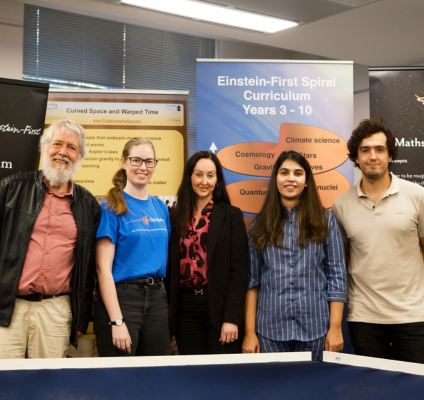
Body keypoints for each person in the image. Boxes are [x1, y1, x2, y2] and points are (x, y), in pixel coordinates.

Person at [0, 119, 101, 359]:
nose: (63, 152)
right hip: (8, 306)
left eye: (72, 147)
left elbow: (87, 272)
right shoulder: (11, 189)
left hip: (56, 310)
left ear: (80, 156)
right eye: (57, 144)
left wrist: (80, 319)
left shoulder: (89, 206)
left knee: (48, 386)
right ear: (45, 147)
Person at [332, 117, 424, 363]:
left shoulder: (418, 195)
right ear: (356, 157)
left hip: (412, 314)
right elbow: (345, 261)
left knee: (416, 389)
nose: (373, 156)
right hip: (364, 316)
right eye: (365, 150)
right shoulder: (341, 205)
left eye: (379, 149)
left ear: (390, 155)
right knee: (373, 390)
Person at [242, 150, 347, 361]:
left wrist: (335, 328)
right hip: (270, 333)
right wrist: (250, 333)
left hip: (315, 331)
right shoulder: (259, 224)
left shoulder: (326, 221)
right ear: (276, 179)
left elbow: (337, 278)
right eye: (284, 172)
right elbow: (252, 283)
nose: (291, 178)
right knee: (275, 392)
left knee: (313, 391)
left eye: (298, 173)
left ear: (306, 181)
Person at [94, 137, 171, 357]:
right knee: (119, 380)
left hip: (158, 299)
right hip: (123, 300)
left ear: (155, 165)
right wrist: (117, 320)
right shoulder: (110, 207)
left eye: (149, 161)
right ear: (123, 162)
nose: (143, 167)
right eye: (136, 160)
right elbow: (103, 270)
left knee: (155, 379)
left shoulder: (161, 208)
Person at [167, 151, 248, 354]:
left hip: (219, 306)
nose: (204, 181)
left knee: (223, 377)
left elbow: (239, 271)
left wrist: (231, 318)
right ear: (189, 178)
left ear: (217, 180)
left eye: (210, 175)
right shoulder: (175, 218)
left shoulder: (231, 216)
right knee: (194, 377)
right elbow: (169, 272)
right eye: (199, 174)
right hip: (185, 309)